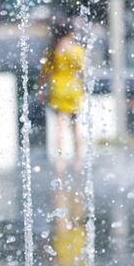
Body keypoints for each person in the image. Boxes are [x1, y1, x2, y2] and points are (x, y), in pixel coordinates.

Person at [37, 19, 86, 171]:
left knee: (59, 128)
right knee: (75, 126)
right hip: (73, 90)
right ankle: (78, 160)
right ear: (71, 33)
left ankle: (60, 161)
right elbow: (81, 67)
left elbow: (44, 72)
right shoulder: (76, 49)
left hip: (57, 89)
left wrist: (39, 90)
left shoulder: (53, 50)